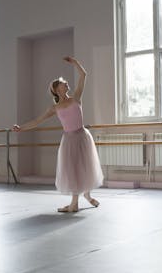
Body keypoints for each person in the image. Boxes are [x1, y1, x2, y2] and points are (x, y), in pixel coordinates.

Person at [12, 56, 104, 213]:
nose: (66, 83)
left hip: (82, 136)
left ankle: (85, 196)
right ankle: (76, 202)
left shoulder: (76, 98)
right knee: (74, 169)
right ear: (56, 89)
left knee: (86, 167)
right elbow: (37, 121)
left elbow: (84, 75)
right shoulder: (55, 108)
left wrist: (75, 63)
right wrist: (21, 128)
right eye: (63, 83)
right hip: (69, 140)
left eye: (65, 82)